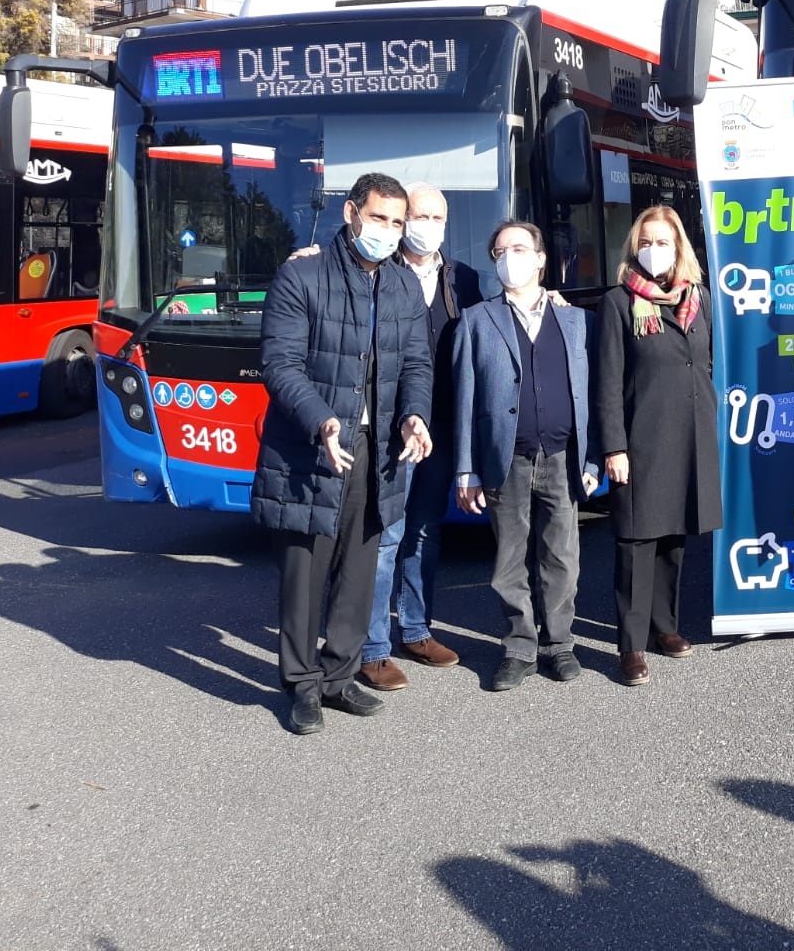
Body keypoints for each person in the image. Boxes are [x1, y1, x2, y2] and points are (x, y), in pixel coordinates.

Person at [251, 173, 434, 735]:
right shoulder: (301, 274)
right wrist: (323, 420)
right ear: (352, 213)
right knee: (305, 575)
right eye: (379, 218)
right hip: (313, 450)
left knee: (359, 573)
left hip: (378, 452)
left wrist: (414, 415)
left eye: (397, 222)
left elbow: (416, 364)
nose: (389, 231)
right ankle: (302, 686)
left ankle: (338, 677)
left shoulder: (403, 286)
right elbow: (280, 364)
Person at [453, 221, 600, 691]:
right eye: (499, 251)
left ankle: (559, 643)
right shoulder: (476, 321)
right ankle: (519, 646)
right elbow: (464, 400)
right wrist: (467, 468)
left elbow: (592, 395)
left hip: (562, 457)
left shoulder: (576, 321)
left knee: (562, 557)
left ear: (540, 259)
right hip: (505, 460)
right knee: (509, 559)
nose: (508, 258)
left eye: (518, 249)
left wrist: (593, 459)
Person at [354, 184, 482, 690]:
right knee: (384, 534)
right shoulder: (380, 272)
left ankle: (415, 629)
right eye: (419, 215)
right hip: (392, 429)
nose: (427, 224)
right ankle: (372, 647)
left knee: (424, 531)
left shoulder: (464, 278)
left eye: (438, 216)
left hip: (441, 427)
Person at [595, 206, 720, 687]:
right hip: (640, 439)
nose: (653, 250)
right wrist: (614, 447)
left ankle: (665, 626)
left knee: (674, 538)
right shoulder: (618, 303)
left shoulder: (698, 297)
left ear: (679, 247)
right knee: (635, 542)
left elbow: (705, 362)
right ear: (634, 247)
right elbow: (607, 382)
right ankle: (631, 645)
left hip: (689, 434)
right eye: (645, 242)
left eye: (662, 242)